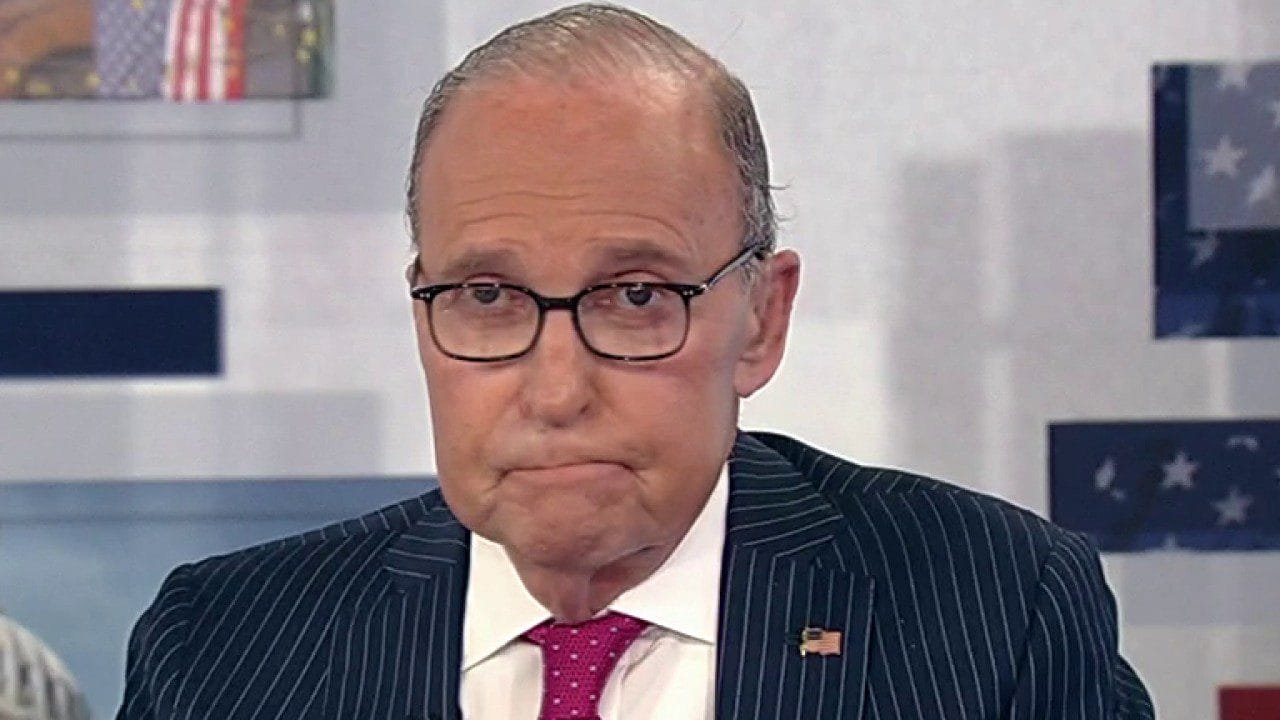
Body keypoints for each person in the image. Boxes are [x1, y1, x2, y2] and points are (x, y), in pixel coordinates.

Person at [117, 4, 1154, 719]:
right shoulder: (225, 651)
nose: (556, 390)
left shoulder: (992, 612)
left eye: (637, 297)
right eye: (488, 298)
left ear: (760, 319)